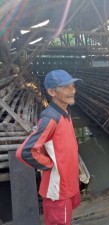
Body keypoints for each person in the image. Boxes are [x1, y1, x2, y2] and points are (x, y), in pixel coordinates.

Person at [16, 70, 82, 225]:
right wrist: (49, 165)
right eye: (66, 87)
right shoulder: (50, 118)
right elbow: (25, 152)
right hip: (58, 189)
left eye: (72, 85)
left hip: (69, 181)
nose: (72, 90)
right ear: (52, 92)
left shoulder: (65, 112)